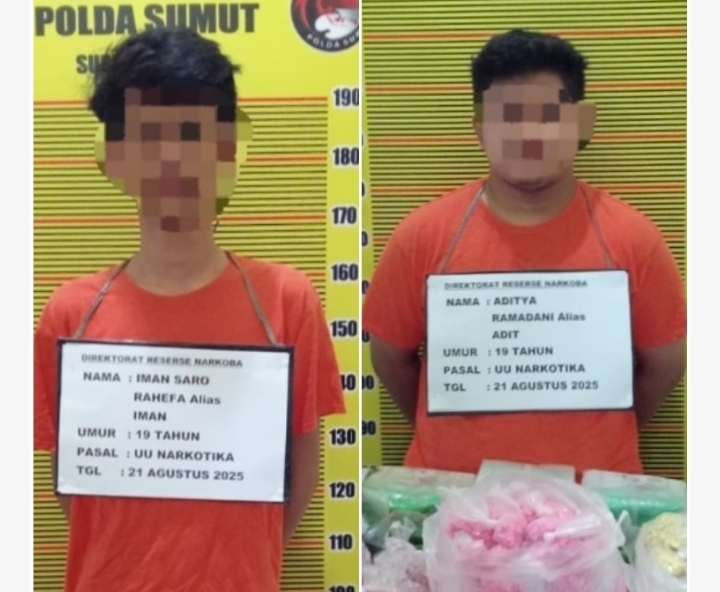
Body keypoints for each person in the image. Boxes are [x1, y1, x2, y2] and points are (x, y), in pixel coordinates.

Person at [33, 27, 345, 592]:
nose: (172, 157)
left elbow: (298, 471)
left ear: (225, 146)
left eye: (191, 133)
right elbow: (72, 484)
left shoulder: (285, 300)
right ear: (117, 157)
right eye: (149, 136)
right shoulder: (69, 313)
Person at [362, 29, 686, 477]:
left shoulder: (634, 240)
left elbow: (665, 363)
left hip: (595, 502)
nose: (527, 134)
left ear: (579, 124)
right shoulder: (422, 237)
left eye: (547, 116)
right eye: (507, 117)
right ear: (480, 129)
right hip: (450, 500)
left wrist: (603, 429)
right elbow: (390, 358)